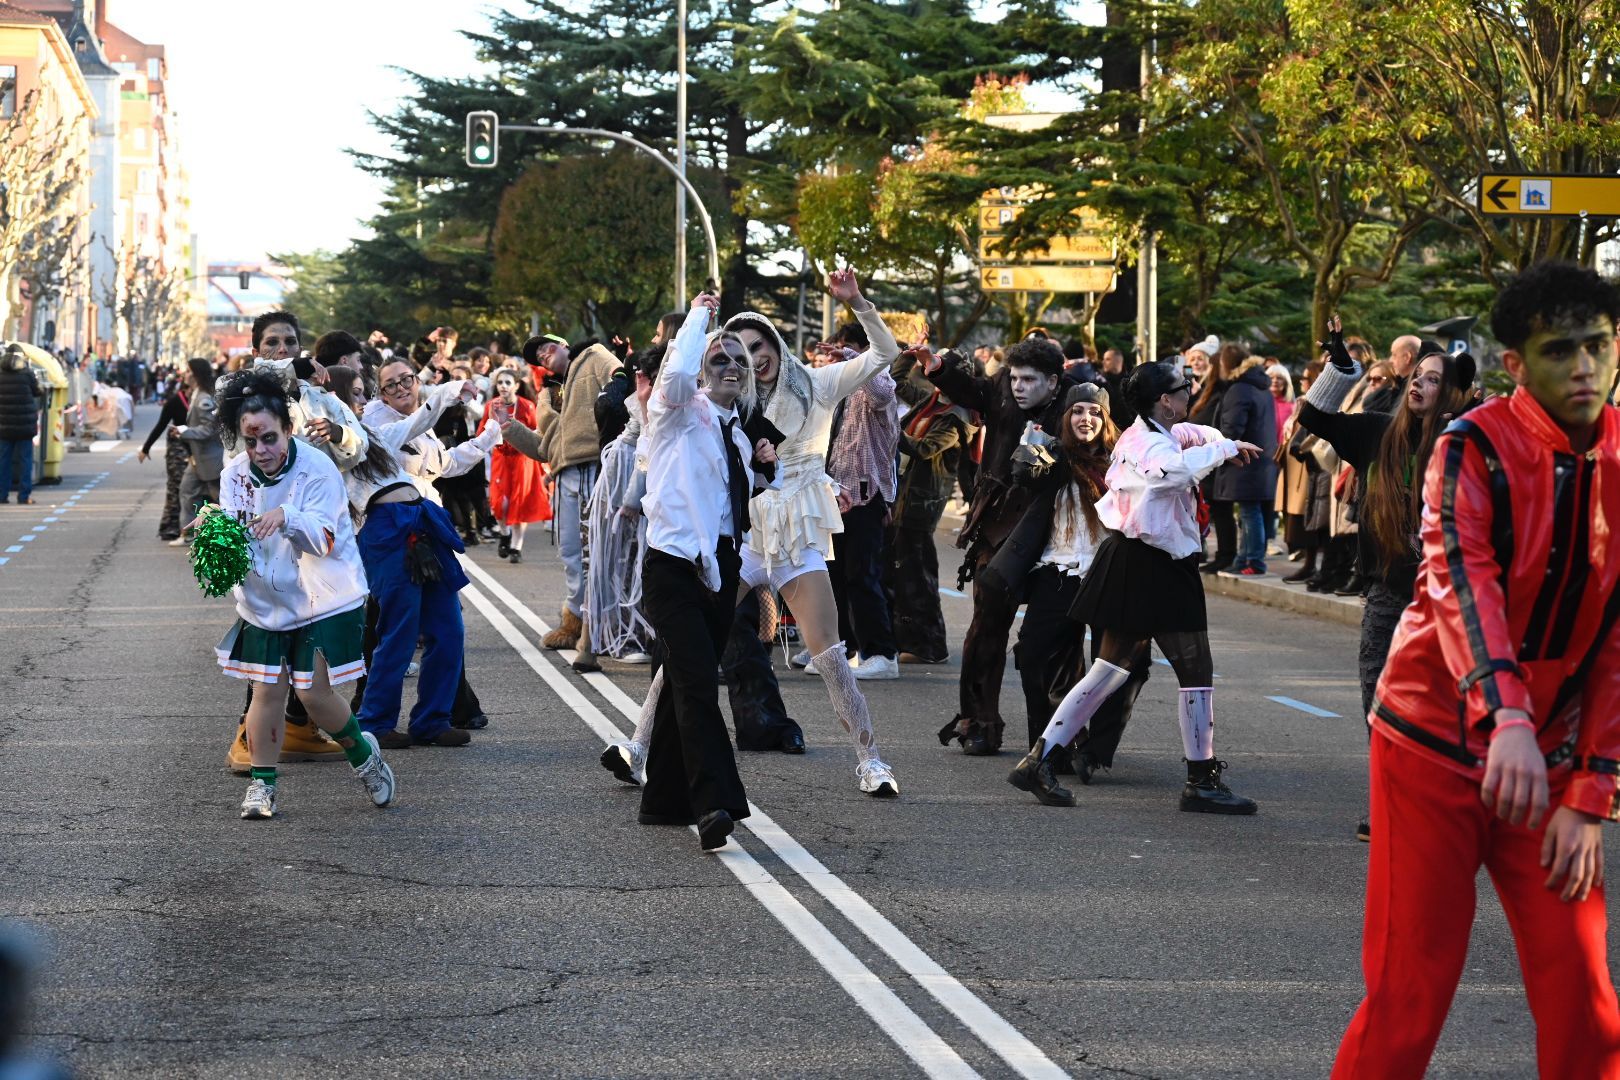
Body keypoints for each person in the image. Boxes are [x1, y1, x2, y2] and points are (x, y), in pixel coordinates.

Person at [1332, 261, 1620, 1078]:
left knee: (1586, 1001)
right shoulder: (1471, 446)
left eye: (1598, 346)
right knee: (1409, 992)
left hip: (1550, 765)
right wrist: (1512, 722)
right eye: (1560, 350)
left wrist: (1590, 794)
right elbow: (1461, 585)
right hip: (1430, 747)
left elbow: (1616, 643)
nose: (1585, 368)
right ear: (1514, 364)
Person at [1006, 361, 1265, 813]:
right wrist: (1223, 453)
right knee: (1194, 668)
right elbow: (1173, 472)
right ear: (1165, 400)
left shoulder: (1149, 431)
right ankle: (1200, 780)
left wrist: (1225, 441)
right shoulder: (1147, 445)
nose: (1191, 392)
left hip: (1139, 561)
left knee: (1109, 670)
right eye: (1184, 389)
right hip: (1155, 565)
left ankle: (1038, 760)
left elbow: (1191, 435)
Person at [718, 269, 903, 794]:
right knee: (695, 637)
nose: (754, 356)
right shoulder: (732, 403)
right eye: (741, 349)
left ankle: (871, 762)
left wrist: (857, 301)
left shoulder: (819, 385)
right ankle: (639, 746)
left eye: (760, 343)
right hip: (749, 534)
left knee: (829, 656)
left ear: (774, 341)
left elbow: (884, 354)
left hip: (799, 535)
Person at [1297, 318, 1476, 838]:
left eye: (1433, 378)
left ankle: (1440, 800)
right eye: (1416, 374)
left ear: (1451, 394)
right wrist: (1340, 368)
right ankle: (1390, 802)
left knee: (1441, 706)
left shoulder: (1461, 446)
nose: (1418, 383)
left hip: (1447, 599)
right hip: (1387, 591)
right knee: (1378, 701)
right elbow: (1311, 418)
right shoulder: (1380, 434)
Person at [209, 371, 396, 819]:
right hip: (265, 600)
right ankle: (262, 785)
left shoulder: (317, 467)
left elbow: (324, 540)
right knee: (267, 691)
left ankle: (365, 758)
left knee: (313, 694)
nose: (260, 450)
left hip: (322, 594)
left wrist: (287, 516)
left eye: (269, 438)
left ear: (288, 429)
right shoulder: (234, 474)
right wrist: (214, 531)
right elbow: (236, 535)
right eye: (250, 441)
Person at [635, 292, 776, 851]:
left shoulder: (738, 434)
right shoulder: (677, 412)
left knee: (681, 687)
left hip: (720, 571)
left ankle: (662, 800)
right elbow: (672, 375)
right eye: (721, 358)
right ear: (700, 369)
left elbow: (733, 501)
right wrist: (700, 320)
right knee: (696, 684)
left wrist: (767, 469)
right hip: (673, 568)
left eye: (741, 361)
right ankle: (714, 803)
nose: (733, 367)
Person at [923, 335, 1078, 755]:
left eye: (1029, 380)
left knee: (1061, 635)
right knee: (987, 624)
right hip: (998, 523)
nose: (1018, 387)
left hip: (1061, 528)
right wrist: (936, 366)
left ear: (1053, 380)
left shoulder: (1077, 402)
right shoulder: (999, 390)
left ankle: (1068, 731)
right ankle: (978, 722)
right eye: (1014, 378)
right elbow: (967, 389)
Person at [986, 386, 1146, 780]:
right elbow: (1025, 472)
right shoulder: (1055, 455)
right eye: (1077, 411)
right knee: (1034, 657)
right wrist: (1030, 452)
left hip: (1112, 574)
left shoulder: (1124, 460)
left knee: (1125, 666)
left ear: (1106, 419)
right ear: (1066, 418)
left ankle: (1095, 750)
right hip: (1060, 572)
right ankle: (1050, 746)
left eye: (1094, 411)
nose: (1085, 418)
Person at [887, 350, 978, 664]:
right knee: (900, 574)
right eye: (928, 368)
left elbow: (925, 449)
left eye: (938, 369)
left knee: (918, 577)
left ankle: (929, 645)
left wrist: (889, 430)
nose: (929, 372)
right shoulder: (931, 400)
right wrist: (908, 356)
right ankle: (906, 641)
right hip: (903, 497)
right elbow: (895, 384)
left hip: (921, 505)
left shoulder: (958, 417)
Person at [824, 322, 902, 680]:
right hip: (835, 496)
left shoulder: (880, 385)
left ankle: (883, 653)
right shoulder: (842, 391)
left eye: (848, 349)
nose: (840, 356)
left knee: (863, 576)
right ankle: (843, 648)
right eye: (839, 349)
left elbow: (882, 393)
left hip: (866, 497)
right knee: (835, 575)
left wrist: (859, 360)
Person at [535, 338, 621, 648]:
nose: (543, 355)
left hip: (595, 466)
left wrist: (609, 439)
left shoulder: (593, 355)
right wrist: (507, 428)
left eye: (547, 347)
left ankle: (609, 627)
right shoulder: (548, 394)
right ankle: (576, 622)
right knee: (571, 552)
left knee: (602, 551)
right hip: (565, 472)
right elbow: (544, 446)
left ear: (564, 345)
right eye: (538, 356)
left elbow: (618, 377)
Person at [1213, 354, 1279, 577]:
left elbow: (1232, 426)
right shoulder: (1261, 388)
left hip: (1246, 458)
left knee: (1250, 513)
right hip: (1262, 458)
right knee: (1250, 512)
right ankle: (1244, 559)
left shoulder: (1240, 389)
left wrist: (1223, 449)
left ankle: (1254, 561)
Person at [478, 368, 550, 562]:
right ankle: (504, 533)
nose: (503, 386)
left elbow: (538, 431)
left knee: (519, 503)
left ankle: (516, 547)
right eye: (500, 382)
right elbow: (482, 432)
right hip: (500, 458)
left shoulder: (527, 406)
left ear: (516, 386)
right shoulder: (491, 406)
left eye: (508, 382)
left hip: (522, 459)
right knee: (499, 502)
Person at [137, 362, 194, 540]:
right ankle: (170, 526)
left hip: (197, 447)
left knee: (194, 489)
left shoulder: (204, 400)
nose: (193, 394)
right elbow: (161, 425)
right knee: (176, 487)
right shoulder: (174, 402)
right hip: (177, 450)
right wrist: (146, 448)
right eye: (191, 391)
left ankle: (193, 525)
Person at [171, 357, 224, 545]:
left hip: (210, 458)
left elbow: (209, 429)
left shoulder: (203, 399)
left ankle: (228, 534)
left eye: (187, 371)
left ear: (195, 374)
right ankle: (188, 533)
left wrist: (185, 432)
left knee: (219, 497)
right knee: (188, 491)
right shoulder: (197, 394)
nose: (184, 374)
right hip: (199, 459)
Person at [0, 345, 39, 506]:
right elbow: (37, 391)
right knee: (25, 461)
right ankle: (23, 496)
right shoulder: (27, 374)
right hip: (24, 427)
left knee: (3, 461)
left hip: (3, 427)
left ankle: (2, 495)